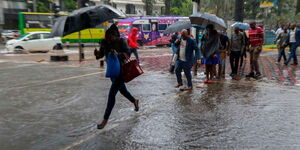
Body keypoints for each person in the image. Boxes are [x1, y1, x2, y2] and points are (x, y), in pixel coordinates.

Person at [96, 24, 139, 129]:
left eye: (112, 37)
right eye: (108, 37)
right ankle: (135, 101)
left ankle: (105, 120)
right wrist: (97, 54)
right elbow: (100, 55)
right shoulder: (104, 42)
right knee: (123, 90)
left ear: (116, 36)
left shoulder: (121, 41)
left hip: (121, 71)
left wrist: (117, 54)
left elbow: (128, 53)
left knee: (111, 95)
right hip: (112, 72)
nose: (110, 39)